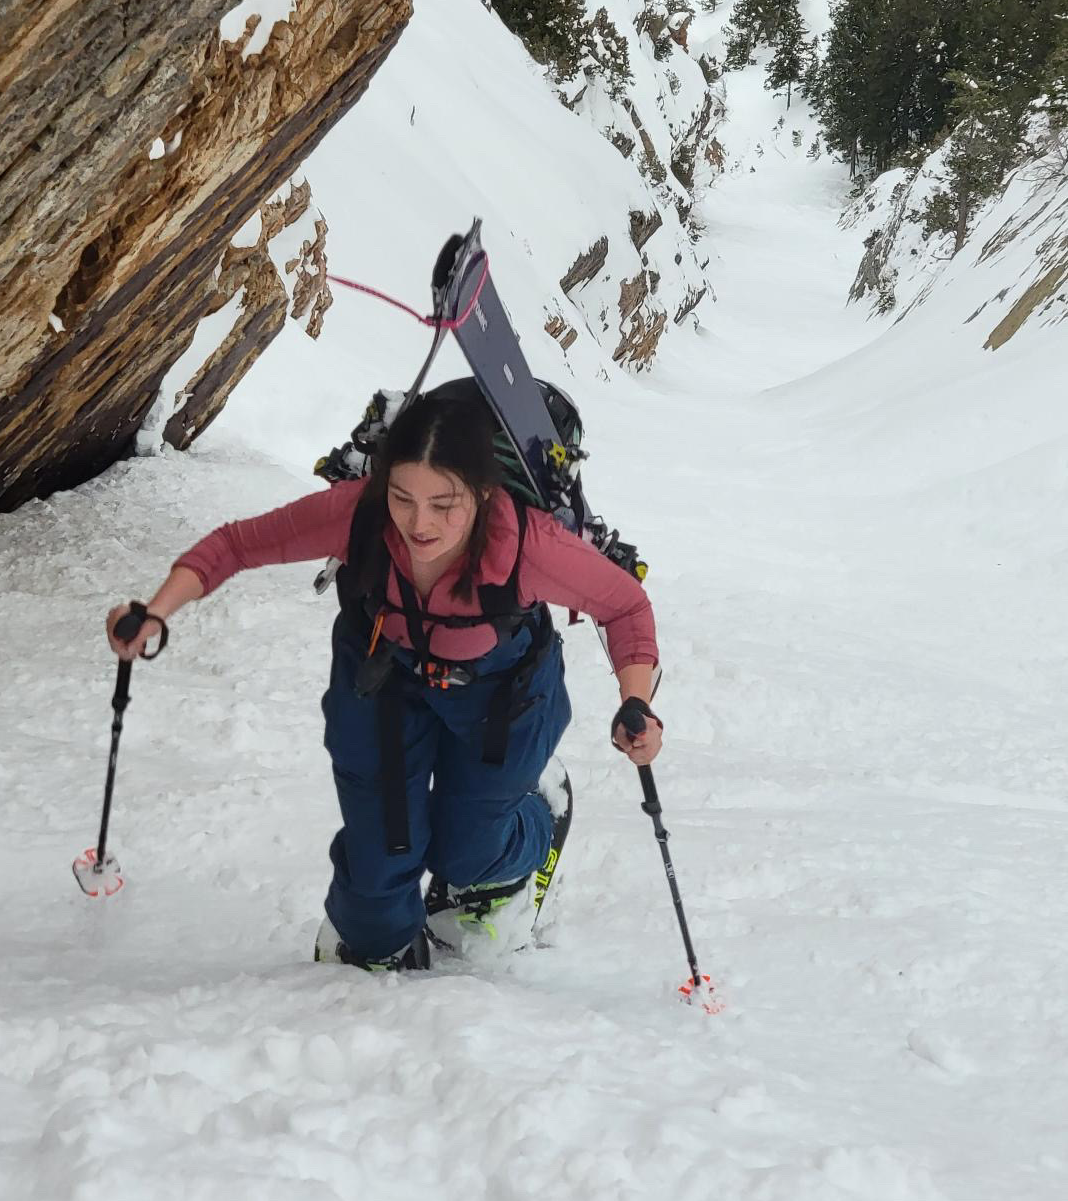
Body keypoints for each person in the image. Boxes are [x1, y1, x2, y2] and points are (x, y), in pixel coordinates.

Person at [107, 387, 662, 971]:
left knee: (468, 852)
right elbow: (236, 545)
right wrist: (155, 611)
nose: (419, 524)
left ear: (481, 492)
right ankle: (380, 935)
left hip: (501, 692)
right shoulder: (360, 515)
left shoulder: (528, 544)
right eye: (403, 498)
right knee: (376, 880)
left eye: (444, 504)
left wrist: (636, 702)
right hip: (384, 678)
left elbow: (625, 608)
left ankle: (540, 811)